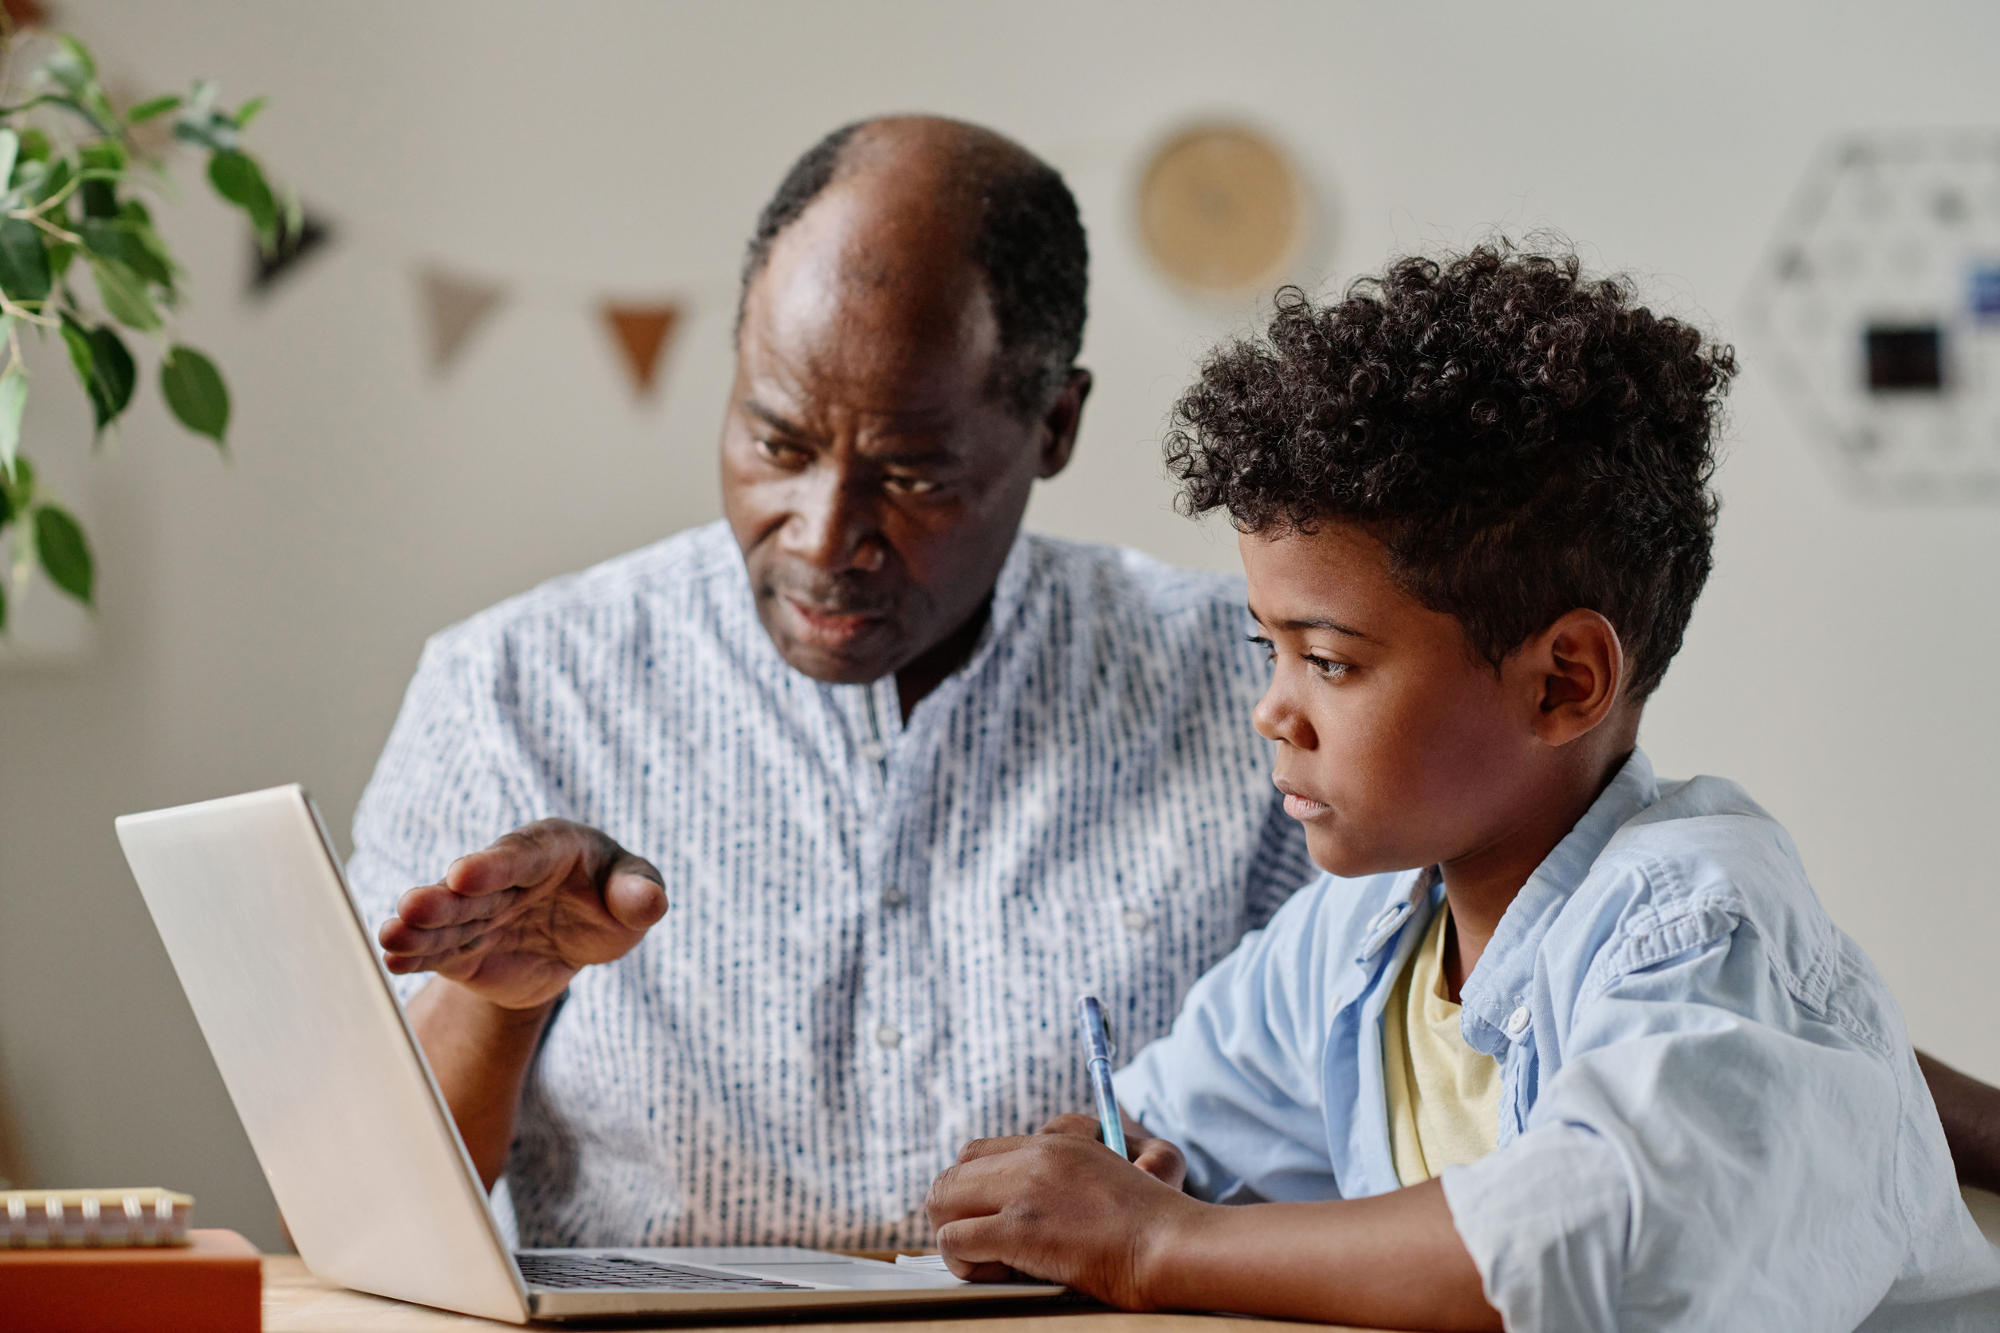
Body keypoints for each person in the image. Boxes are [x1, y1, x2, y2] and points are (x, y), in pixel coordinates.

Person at [923, 247, 2000, 1329]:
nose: (1272, 711)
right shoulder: (1350, 942)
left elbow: (1596, 1242)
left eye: (1329, 660)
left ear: (1561, 682)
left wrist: (1160, 1241)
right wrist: (1124, 1173)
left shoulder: (1691, 921)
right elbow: (1171, 1135)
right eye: (1269, 650)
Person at [345, 116, 1316, 1250]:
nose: (822, 534)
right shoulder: (515, 687)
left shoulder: (1249, 689)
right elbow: (363, 1220)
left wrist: (1187, 1178)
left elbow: (1368, 1122)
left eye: (909, 474)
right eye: (776, 444)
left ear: (1053, 425)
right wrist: (492, 1003)